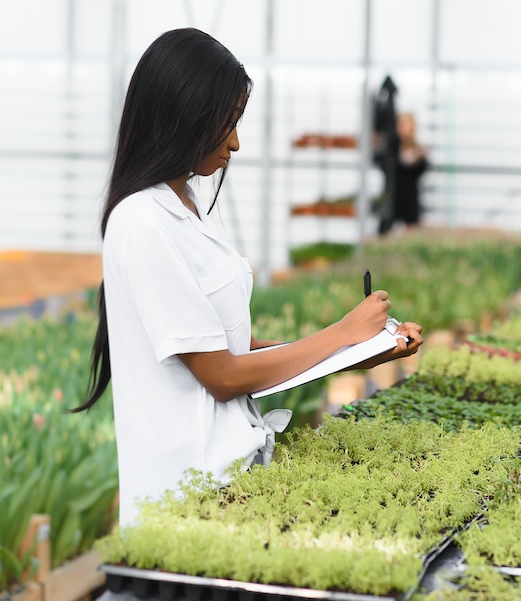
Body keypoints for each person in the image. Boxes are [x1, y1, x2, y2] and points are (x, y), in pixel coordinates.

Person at [71, 28, 424, 529]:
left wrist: (360, 353)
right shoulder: (141, 222)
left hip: (228, 486)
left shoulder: (187, 206)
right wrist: (344, 332)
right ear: (183, 118)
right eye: (227, 123)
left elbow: (234, 347)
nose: (235, 143)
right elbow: (221, 376)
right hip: (186, 504)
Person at [376, 111, 428, 235]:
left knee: (411, 230)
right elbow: (383, 164)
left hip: (409, 197)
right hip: (392, 195)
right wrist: (401, 160)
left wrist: (417, 159)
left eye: (410, 127)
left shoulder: (417, 147)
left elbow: (421, 171)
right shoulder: (390, 145)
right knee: (385, 231)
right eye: (404, 126)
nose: (406, 131)